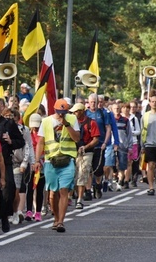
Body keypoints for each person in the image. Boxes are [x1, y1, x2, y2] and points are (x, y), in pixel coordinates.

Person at [33, 99, 80, 232]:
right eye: (60, 113)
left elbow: (77, 138)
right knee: (53, 193)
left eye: (64, 113)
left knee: (63, 189)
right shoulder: (46, 121)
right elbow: (41, 142)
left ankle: (60, 221)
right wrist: (37, 160)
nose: (61, 115)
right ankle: (56, 218)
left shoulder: (72, 119)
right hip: (51, 161)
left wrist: (67, 125)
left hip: (67, 159)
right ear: (55, 110)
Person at [0, 96, 25, 234]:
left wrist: (10, 141)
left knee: (8, 191)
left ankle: (4, 216)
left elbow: (20, 142)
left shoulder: (9, 124)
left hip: (6, 161)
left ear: (2, 106)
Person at [70, 103, 99, 210]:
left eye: (76, 111)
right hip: (73, 152)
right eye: (73, 112)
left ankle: (79, 200)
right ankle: (72, 195)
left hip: (87, 152)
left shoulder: (91, 123)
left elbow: (96, 139)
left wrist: (85, 147)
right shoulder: (71, 123)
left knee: (82, 173)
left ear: (82, 111)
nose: (74, 113)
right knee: (74, 175)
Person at [85, 93, 111, 199]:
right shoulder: (86, 113)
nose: (93, 104)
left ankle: (98, 185)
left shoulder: (103, 113)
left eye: (95, 102)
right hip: (89, 145)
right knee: (88, 168)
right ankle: (88, 190)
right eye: (91, 102)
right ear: (88, 102)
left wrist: (105, 142)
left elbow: (108, 128)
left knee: (98, 170)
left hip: (100, 145)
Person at [22, 113, 46, 220]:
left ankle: (38, 212)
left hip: (42, 163)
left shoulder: (44, 135)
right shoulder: (27, 134)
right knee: (30, 187)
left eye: (37, 126)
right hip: (30, 164)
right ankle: (28, 211)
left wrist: (40, 160)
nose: (35, 128)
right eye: (33, 126)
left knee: (40, 188)